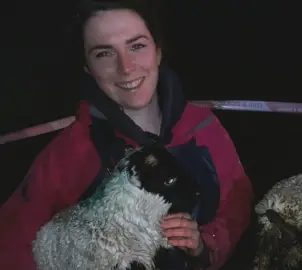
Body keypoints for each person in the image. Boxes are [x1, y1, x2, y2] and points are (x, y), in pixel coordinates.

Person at [0, 0, 253, 269]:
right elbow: (11, 241)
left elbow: (236, 207)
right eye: (104, 53)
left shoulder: (203, 128)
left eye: (137, 46)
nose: (126, 67)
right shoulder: (70, 153)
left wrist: (205, 244)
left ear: (158, 50)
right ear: (88, 67)